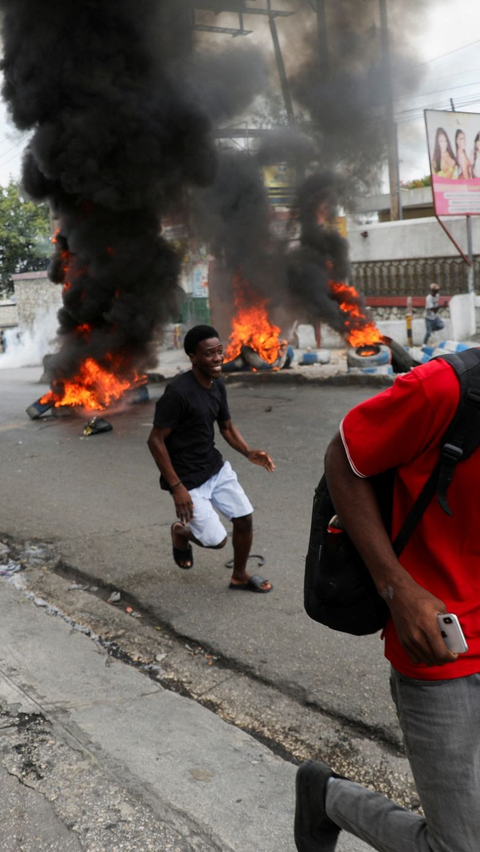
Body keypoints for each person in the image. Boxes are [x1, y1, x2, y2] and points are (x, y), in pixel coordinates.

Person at [294, 353, 480, 852]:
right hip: (444, 652)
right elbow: (344, 457)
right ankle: (326, 797)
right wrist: (396, 586)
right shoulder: (444, 389)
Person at [147, 324, 274, 593]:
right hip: (188, 481)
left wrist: (248, 451)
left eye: (219, 351)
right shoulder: (178, 394)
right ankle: (181, 533)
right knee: (217, 541)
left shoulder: (217, 385)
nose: (217, 358)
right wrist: (177, 487)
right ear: (193, 357)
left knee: (244, 518)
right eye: (209, 353)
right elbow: (155, 440)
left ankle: (239, 576)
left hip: (214, 468)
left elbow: (226, 427)